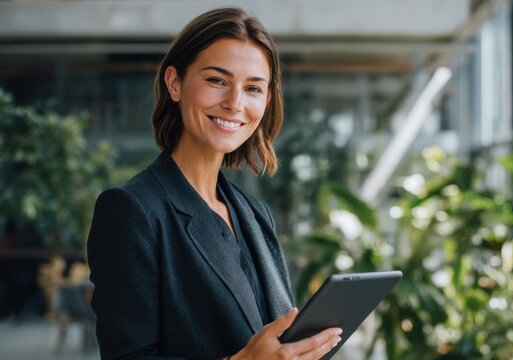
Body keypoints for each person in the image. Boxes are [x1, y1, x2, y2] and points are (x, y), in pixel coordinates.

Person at [86, 7, 342, 360]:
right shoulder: (132, 210)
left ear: (266, 102)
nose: (235, 103)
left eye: (253, 88)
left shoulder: (254, 213)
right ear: (174, 83)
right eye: (217, 80)